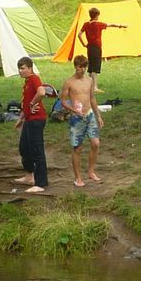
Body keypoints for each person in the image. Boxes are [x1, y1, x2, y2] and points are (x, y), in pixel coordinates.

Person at [61, 54, 104, 186]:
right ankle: (78, 177)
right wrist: (73, 110)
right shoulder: (69, 82)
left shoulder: (89, 80)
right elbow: (63, 101)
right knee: (77, 148)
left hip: (89, 115)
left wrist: (98, 116)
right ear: (75, 67)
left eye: (84, 67)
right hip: (77, 118)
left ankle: (91, 171)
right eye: (80, 67)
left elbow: (92, 98)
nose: (82, 70)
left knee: (95, 143)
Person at [13, 56, 51, 194]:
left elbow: (41, 92)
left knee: (37, 150)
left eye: (23, 68)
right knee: (24, 148)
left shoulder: (34, 79)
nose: (20, 71)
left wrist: (33, 103)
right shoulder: (27, 81)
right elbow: (26, 101)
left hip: (37, 119)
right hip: (29, 119)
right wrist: (21, 118)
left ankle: (41, 183)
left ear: (30, 68)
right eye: (19, 68)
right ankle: (29, 176)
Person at [78, 6, 125, 75]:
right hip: (97, 48)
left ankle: (90, 83)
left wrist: (84, 44)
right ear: (96, 15)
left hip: (89, 47)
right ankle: (94, 85)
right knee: (95, 68)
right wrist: (120, 25)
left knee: (90, 67)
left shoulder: (86, 24)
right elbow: (110, 25)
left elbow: (79, 35)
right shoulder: (99, 24)